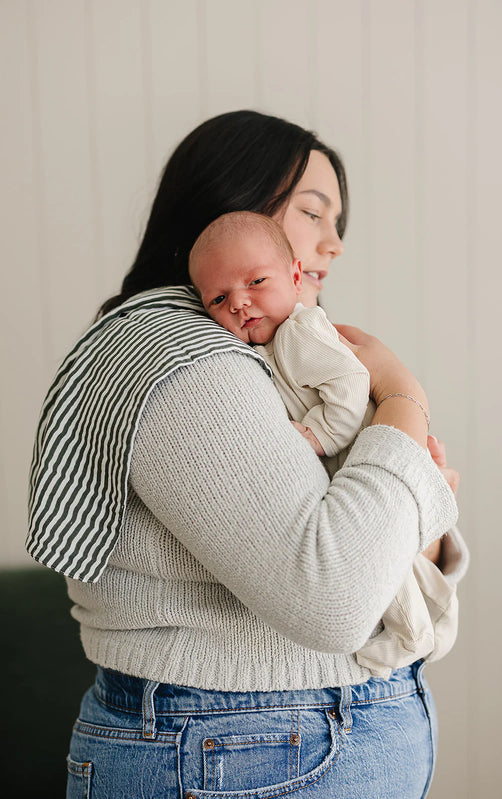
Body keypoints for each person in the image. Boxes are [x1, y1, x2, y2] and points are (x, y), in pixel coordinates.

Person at [27, 110, 468, 799]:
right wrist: (402, 397)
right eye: (313, 213)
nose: (333, 244)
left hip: (262, 740)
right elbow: (335, 597)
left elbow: (388, 553)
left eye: (337, 223)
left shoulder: (261, 361)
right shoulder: (182, 356)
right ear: (234, 201)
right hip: (246, 742)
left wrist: (408, 512)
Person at [189, 209, 459, 678]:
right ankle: (409, 637)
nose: (239, 303)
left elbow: (351, 384)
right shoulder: (259, 347)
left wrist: (317, 434)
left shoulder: (301, 330)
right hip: (352, 462)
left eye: (256, 281)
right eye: (218, 298)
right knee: (393, 573)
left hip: (356, 447)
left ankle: (415, 640)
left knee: (394, 580)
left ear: (294, 277)